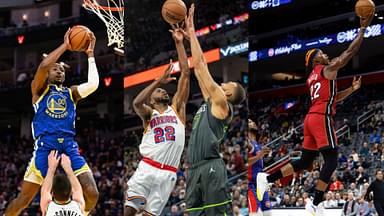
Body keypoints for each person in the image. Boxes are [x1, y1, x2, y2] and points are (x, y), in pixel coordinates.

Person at [256, 12, 373, 216]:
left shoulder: (312, 77)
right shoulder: (326, 69)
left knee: (305, 162)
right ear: (316, 58)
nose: (327, 55)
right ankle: (316, 202)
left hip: (311, 118)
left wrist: (352, 90)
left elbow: (332, 98)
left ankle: (266, 178)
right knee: (332, 160)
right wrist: (362, 29)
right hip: (321, 118)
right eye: (323, 53)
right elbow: (349, 53)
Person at [5, 28, 99, 216]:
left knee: (93, 194)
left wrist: (90, 55)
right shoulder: (38, 90)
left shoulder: (71, 93)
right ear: (48, 74)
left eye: (62, 69)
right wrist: (66, 45)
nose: (59, 71)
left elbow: (93, 85)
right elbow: (42, 67)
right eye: (55, 68)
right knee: (23, 201)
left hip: (69, 148)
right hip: (44, 148)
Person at [184, 4, 246, 215]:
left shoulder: (222, 103)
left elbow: (202, 64)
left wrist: (191, 31)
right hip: (194, 169)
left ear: (228, 94)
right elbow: (198, 70)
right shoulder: (210, 101)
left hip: (210, 167)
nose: (224, 83)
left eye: (228, 84)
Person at [125, 25, 191, 216]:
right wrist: (157, 81)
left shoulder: (177, 109)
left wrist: (179, 44)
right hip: (146, 169)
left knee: (149, 215)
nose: (162, 91)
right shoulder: (148, 114)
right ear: (152, 100)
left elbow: (185, 73)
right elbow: (137, 102)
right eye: (158, 91)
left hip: (168, 174)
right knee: (130, 210)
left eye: (163, 90)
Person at [40, 151, 85, 216]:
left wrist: (51, 168)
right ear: (71, 192)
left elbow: (45, 191)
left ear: (52, 193)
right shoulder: (78, 206)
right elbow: (77, 190)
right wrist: (68, 168)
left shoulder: (48, 208)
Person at [247, 119, 271, 216]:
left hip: (260, 182)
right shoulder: (249, 143)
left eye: (253, 121)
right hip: (251, 184)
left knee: (268, 213)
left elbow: (258, 164)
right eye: (249, 122)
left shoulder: (257, 143)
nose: (253, 123)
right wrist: (259, 155)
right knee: (255, 213)